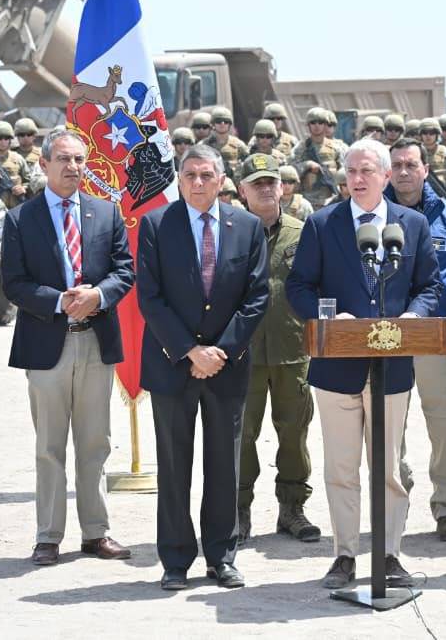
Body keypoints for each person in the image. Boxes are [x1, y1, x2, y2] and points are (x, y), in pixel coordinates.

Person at [285, 138, 441, 591]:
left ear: (387, 175)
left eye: (367, 170)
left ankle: (390, 553)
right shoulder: (321, 224)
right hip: (337, 368)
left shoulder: (410, 224)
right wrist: (331, 316)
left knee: (389, 467)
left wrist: (414, 316)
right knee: (340, 466)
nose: (357, 179)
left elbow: (428, 285)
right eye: (351, 171)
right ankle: (345, 555)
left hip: (392, 368)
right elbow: (299, 287)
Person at [0, 129, 137, 568]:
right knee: (49, 446)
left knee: (95, 443)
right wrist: (59, 302)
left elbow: (125, 270)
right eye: (63, 159)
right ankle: (48, 536)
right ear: (43, 164)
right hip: (47, 346)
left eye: (80, 159)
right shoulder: (21, 219)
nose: (73, 167)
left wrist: (98, 295)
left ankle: (96, 533)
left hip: (95, 343)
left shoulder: (106, 213)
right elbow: (14, 283)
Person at [137, 143, 269, 591]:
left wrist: (221, 352)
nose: (197, 182)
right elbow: (150, 298)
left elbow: (256, 297)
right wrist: (190, 351)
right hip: (172, 364)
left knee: (223, 465)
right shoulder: (156, 224)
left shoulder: (247, 226)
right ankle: (175, 559)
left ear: (221, 179)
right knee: (174, 466)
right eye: (190, 174)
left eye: (206, 175)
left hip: (227, 367)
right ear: (179, 178)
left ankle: (221, 555)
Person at [386, 139, 446, 542]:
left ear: (425, 169)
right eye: (397, 165)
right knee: (390, 424)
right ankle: (394, 502)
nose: (404, 172)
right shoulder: (375, 214)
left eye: (411, 165)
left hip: (436, 331)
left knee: (444, 422)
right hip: (387, 333)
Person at [234, 155, 319, 544]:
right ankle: (238, 510)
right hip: (242, 352)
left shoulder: (305, 233)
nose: (267, 188)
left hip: (293, 348)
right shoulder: (230, 232)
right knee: (240, 435)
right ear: (242, 191)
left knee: (294, 434)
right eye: (257, 183)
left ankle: (292, 509)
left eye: (272, 181)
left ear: (283, 187)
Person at [292, 108, 344, 209]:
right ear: (308, 125)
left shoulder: (336, 148)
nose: (317, 126)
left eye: (320, 122)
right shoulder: (301, 148)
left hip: (331, 198)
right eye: (313, 122)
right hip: (308, 200)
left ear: (325, 125)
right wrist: (307, 165)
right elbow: (291, 171)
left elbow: (344, 171)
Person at [0, 121, 31, 209]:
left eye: (6, 138)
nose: (3, 141)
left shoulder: (18, 159)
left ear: (10, 140)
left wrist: (23, 188)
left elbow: (29, 180)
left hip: (16, 205)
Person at [419, 118, 446, 202]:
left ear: (437, 135)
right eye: (425, 133)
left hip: (441, 195)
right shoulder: (416, 152)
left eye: (432, 133)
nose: (428, 136)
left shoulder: (445, 153)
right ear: (421, 135)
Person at [208, 105, 249, 176]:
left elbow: (248, 162)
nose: (222, 124)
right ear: (213, 124)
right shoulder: (204, 145)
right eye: (218, 121)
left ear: (230, 124)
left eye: (226, 121)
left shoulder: (238, 144)